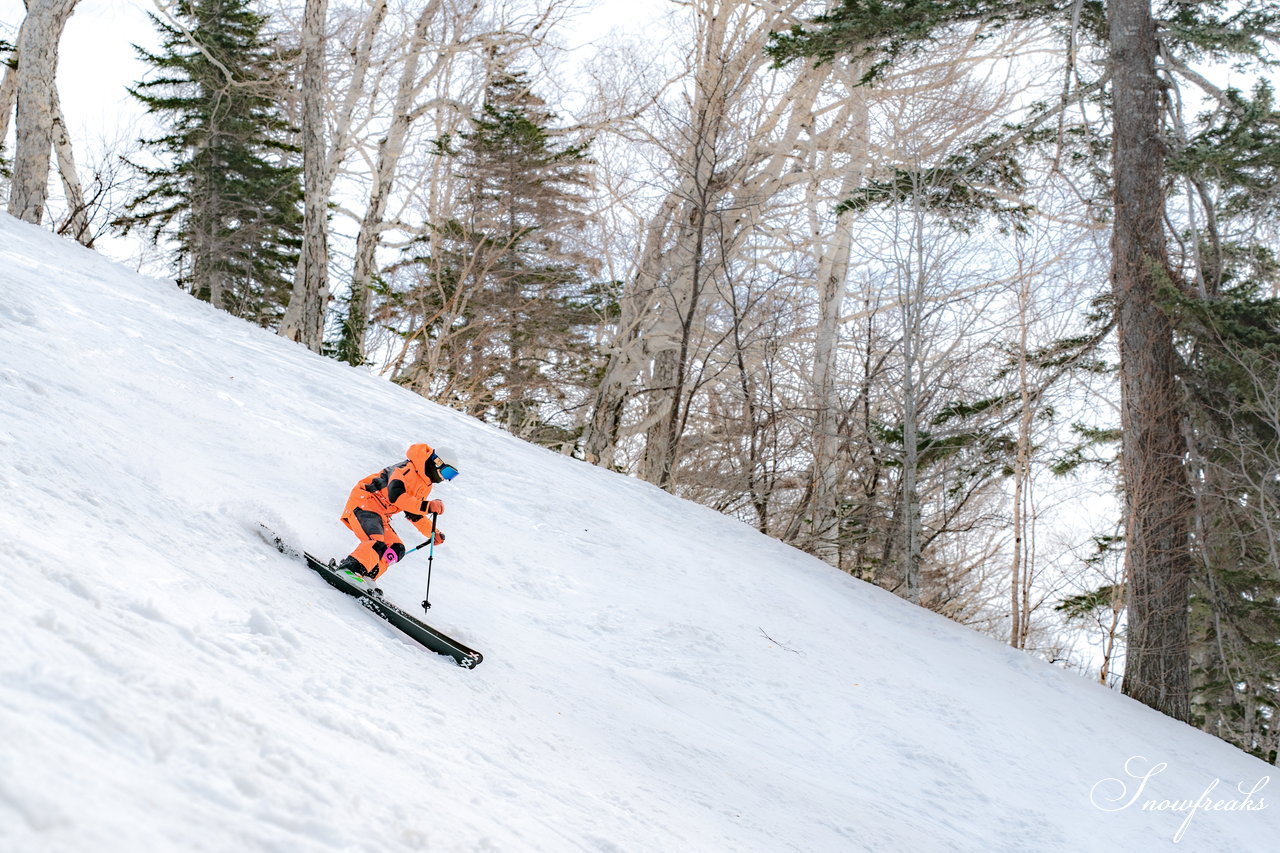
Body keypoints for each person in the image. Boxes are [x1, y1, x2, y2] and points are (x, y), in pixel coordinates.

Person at [334, 443, 458, 583]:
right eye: (447, 472)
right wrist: (428, 506)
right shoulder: (405, 470)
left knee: (396, 548)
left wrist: (432, 532)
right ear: (436, 462)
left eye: (452, 476)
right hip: (365, 503)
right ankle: (349, 570)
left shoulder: (425, 486)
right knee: (376, 541)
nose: (445, 479)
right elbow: (396, 497)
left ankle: (367, 577)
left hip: (380, 515)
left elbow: (414, 513)